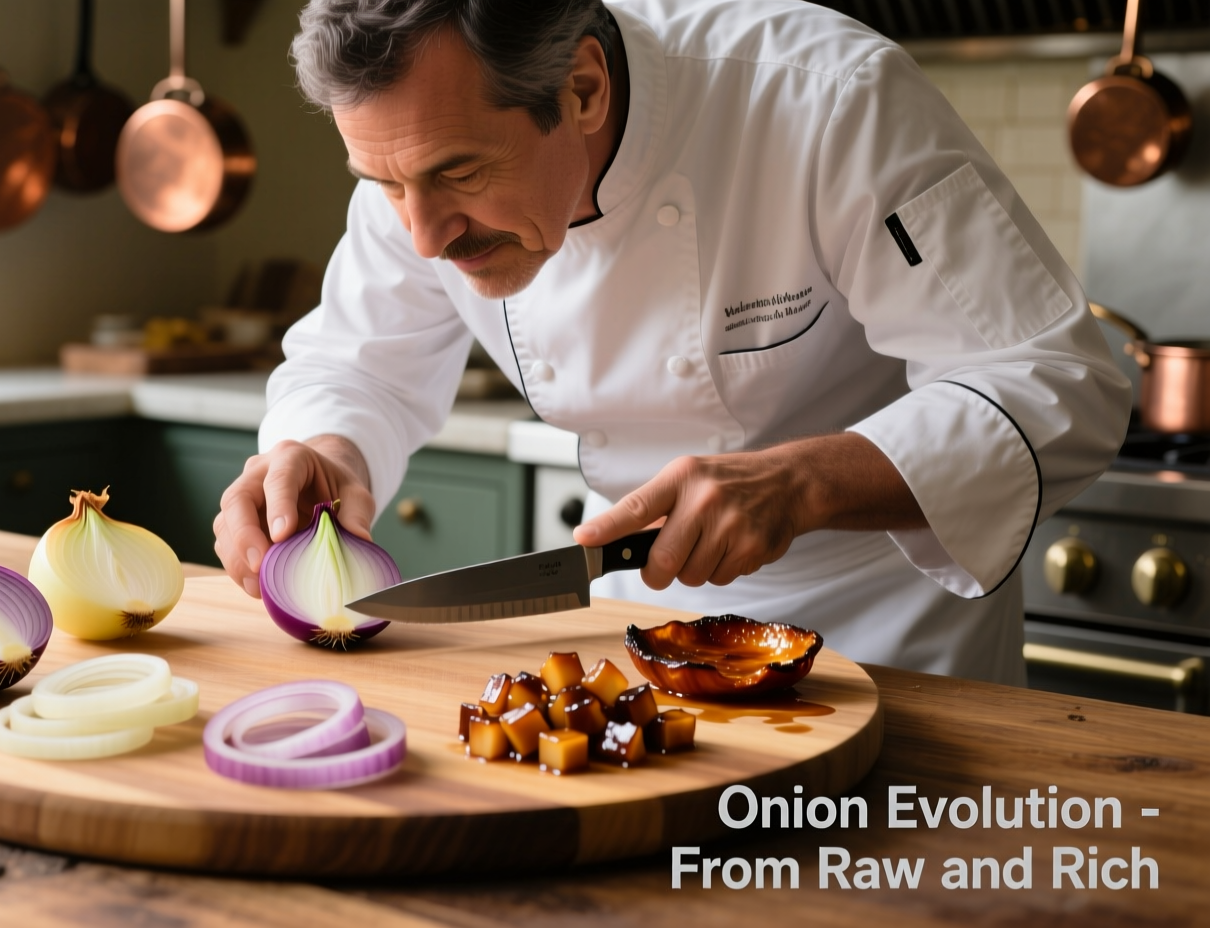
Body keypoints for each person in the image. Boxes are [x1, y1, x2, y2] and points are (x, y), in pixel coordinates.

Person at [212, 0, 1129, 684]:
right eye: (381, 183)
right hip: (644, 639)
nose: (423, 237)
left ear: (582, 89)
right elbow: (354, 361)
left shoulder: (827, 100)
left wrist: (803, 482)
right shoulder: (418, 157)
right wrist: (324, 448)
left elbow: (1057, 381)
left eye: (461, 174)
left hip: (889, 645)